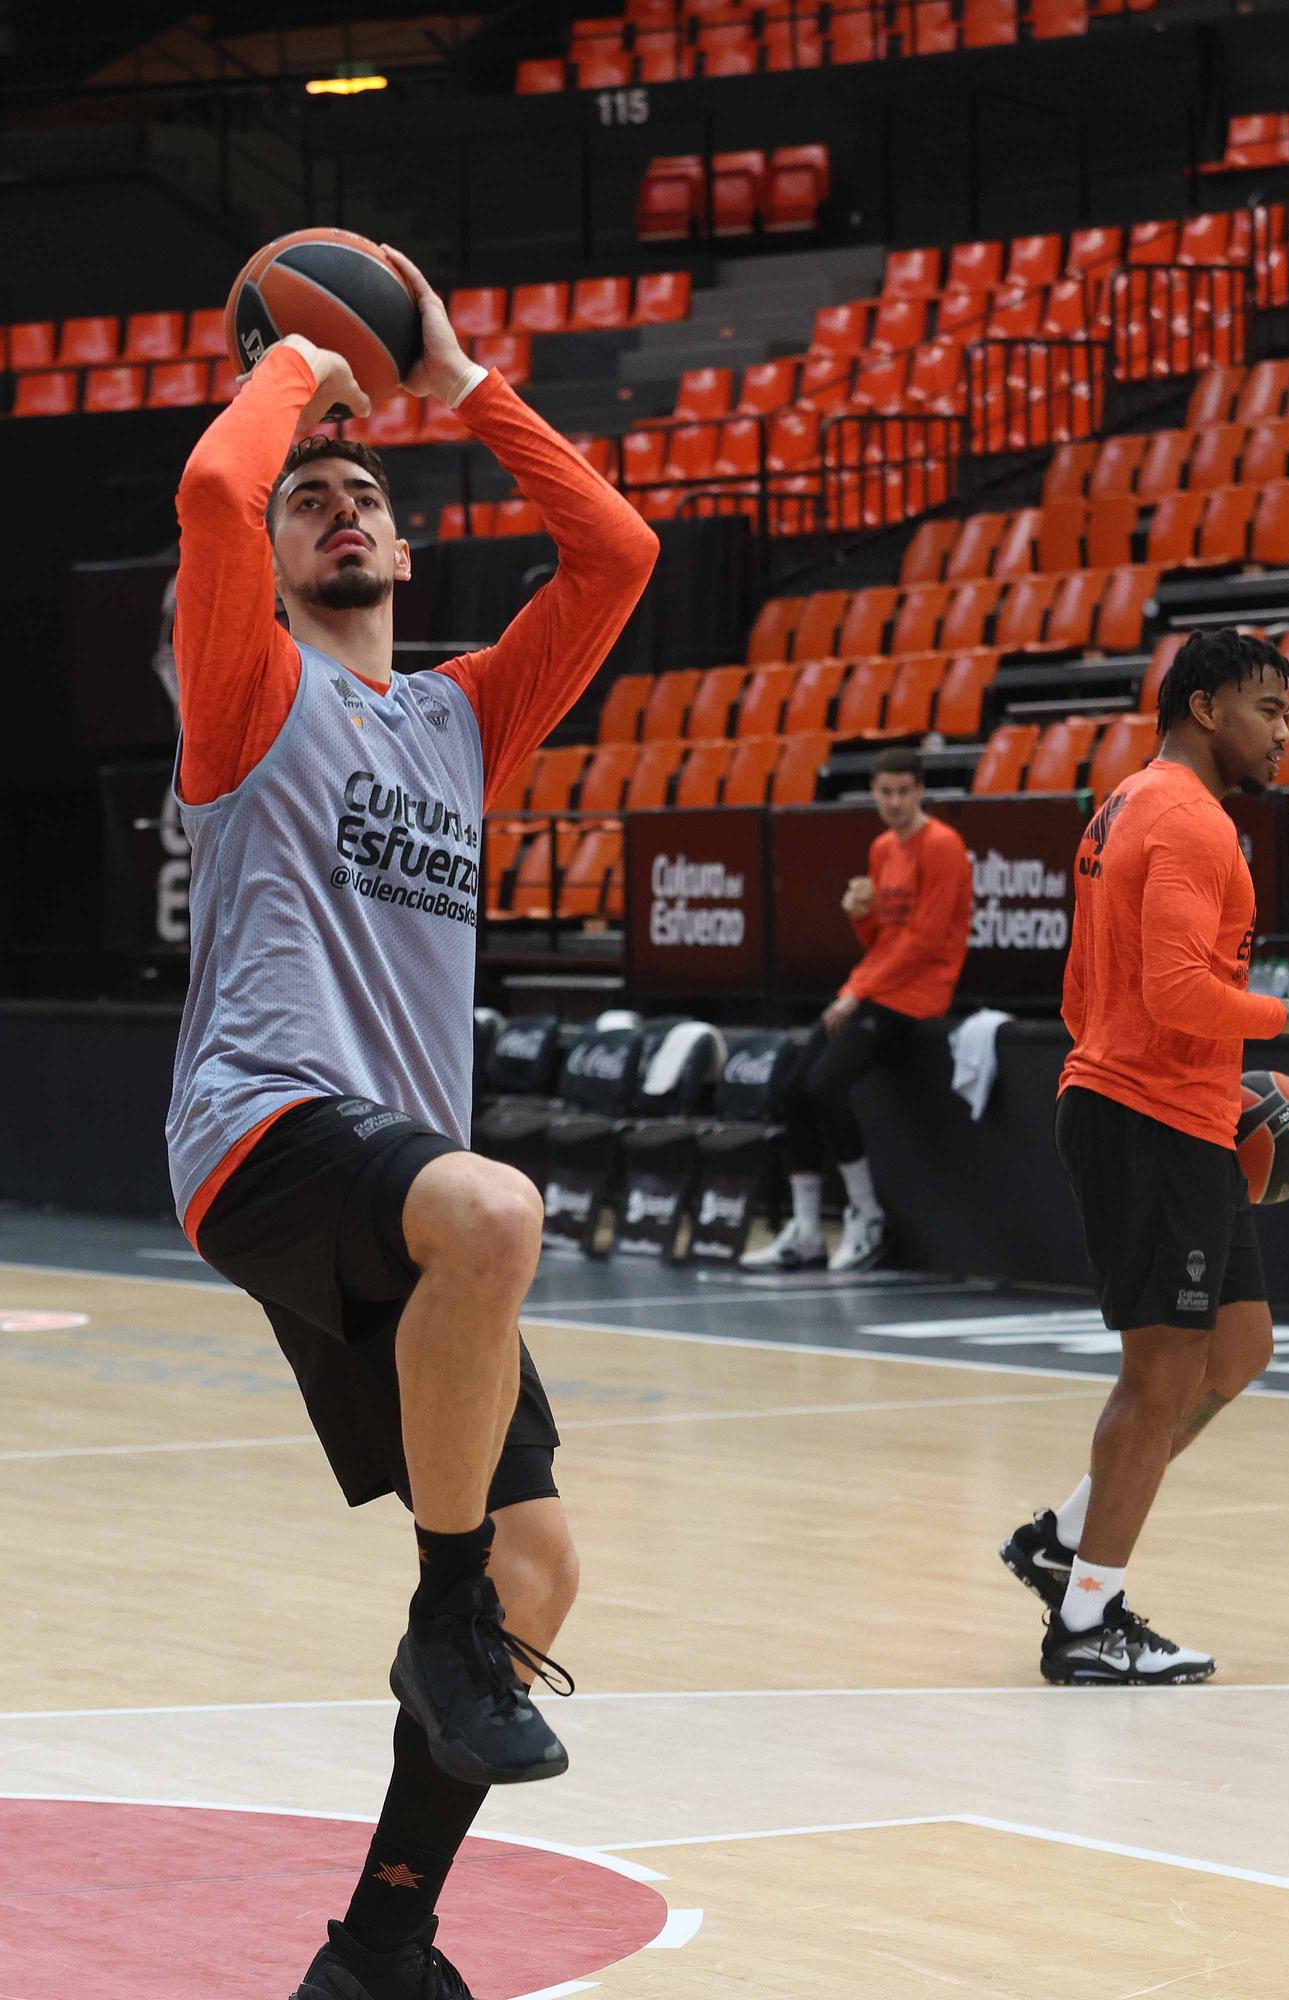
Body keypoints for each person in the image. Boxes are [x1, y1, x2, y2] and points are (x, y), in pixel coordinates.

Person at [165, 245, 658, 1999]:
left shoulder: (458, 716)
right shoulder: (246, 689)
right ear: (283, 559)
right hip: (264, 1131)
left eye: (368, 493)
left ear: (407, 543)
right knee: (497, 1216)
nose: (340, 506)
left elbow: (617, 557)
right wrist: (301, 363)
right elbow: (217, 480)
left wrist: (461, 384)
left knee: (542, 1570)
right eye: (318, 500)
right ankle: (442, 1613)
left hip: (401, 1183)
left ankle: (379, 1945)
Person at [1000, 629, 1289, 1686]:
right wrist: (1282, 1016)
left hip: (1176, 1113)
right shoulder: (1186, 821)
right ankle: (1085, 1620)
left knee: (1237, 1346)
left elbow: (1082, 990)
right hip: (1146, 1116)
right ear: (1203, 707)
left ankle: (1061, 1539)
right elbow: (1170, 992)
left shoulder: (1125, 803)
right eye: (1267, 708)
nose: (1284, 730)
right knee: (1157, 1376)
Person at [742, 745, 972, 1275]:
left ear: (919, 791)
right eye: (884, 792)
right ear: (873, 793)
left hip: (918, 993)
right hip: (873, 986)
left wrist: (856, 992)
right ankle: (804, 1231)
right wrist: (858, 917)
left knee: (824, 1085)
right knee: (792, 1092)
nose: (893, 802)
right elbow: (881, 938)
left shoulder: (943, 846)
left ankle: (867, 1216)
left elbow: (925, 941)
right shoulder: (881, 848)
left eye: (902, 791)